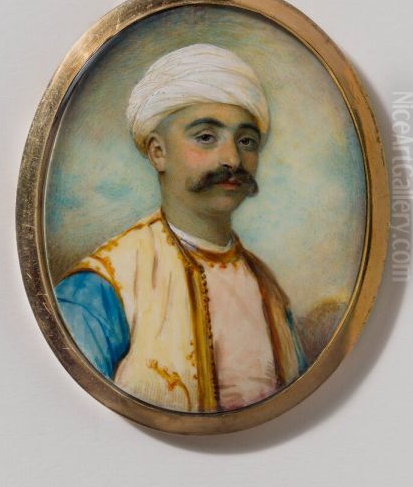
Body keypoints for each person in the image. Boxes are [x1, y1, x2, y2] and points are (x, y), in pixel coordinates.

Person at [55, 43, 307, 413]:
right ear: (157, 152)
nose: (232, 159)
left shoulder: (268, 289)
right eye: (206, 137)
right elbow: (69, 412)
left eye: (246, 141)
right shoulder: (102, 286)